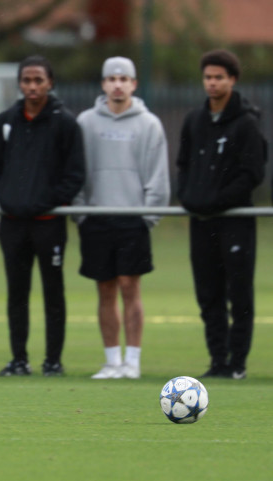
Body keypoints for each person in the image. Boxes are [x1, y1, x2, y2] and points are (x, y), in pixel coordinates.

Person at [0, 55, 85, 377]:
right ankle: (19, 360)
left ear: (50, 83)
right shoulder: (4, 121)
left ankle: (53, 361)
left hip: (48, 225)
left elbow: (74, 174)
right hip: (13, 225)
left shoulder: (65, 123)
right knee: (17, 293)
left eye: (38, 80)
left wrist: (44, 202)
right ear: (19, 83)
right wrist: (8, 198)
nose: (32, 86)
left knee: (53, 293)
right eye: (27, 80)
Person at [74, 57, 170, 380]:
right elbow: (77, 172)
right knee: (105, 290)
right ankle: (112, 361)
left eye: (124, 78)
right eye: (111, 78)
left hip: (133, 219)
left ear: (134, 84)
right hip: (98, 218)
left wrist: (148, 216)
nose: (117, 84)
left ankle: (133, 361)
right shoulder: (86, 122)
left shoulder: (149, 124)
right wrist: (82, 213)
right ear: (103, 84)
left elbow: (158, 176)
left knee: (131, 287)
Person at [177, 49, 265, 380]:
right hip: (201, 223)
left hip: (234, 223)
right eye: (208, 77)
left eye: (219, 77)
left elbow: (252, 174)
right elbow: (183, 165)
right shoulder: (193, 120)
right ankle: (217, 361)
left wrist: (216, 200)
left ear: (232, 80)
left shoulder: (246, 123)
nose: (212, 83)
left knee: (238, 293)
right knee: (208, 294)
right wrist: (188, 197)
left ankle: (237, 363)